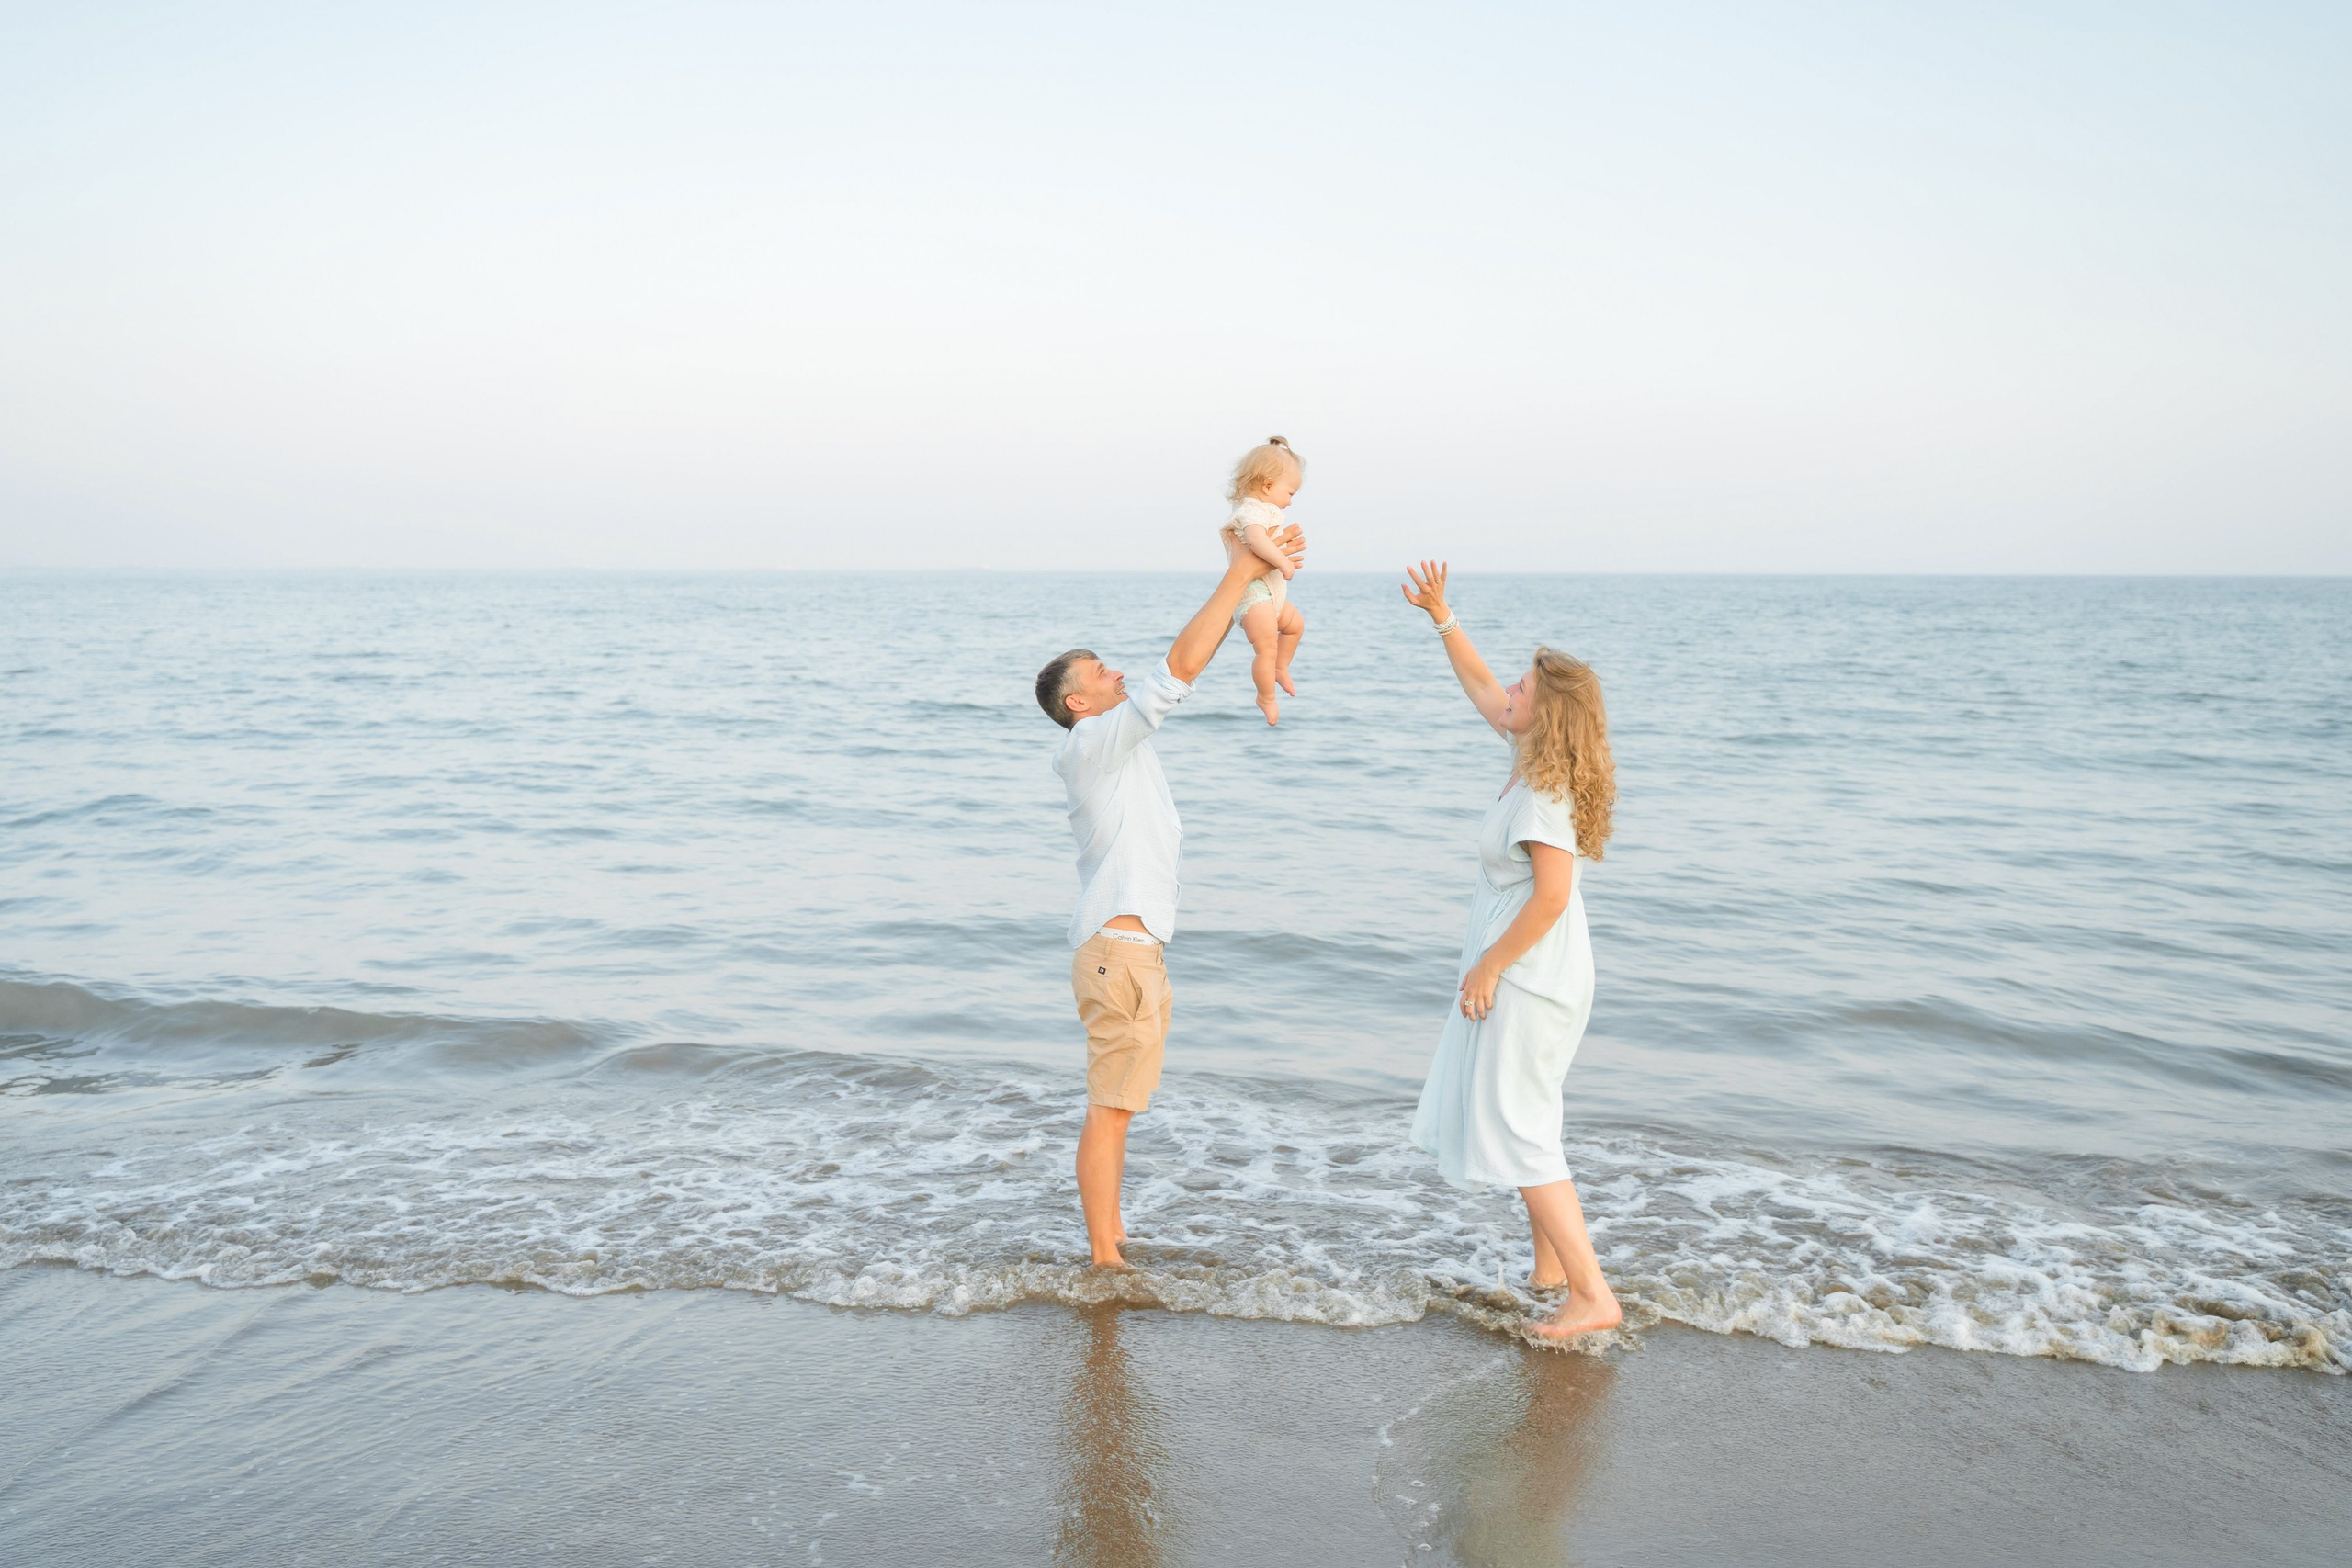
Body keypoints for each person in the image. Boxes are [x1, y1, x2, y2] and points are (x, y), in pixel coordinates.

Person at [1035, 517, 1307, 1267]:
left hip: (1132, 954)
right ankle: (1103, 1257)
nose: (1114, 672)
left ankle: (1111, 1237)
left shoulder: (1116, 746)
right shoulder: (1091, 744)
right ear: (1078, 704)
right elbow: (1176, 671)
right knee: (1110, 1110)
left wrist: (1251, 582)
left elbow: (1186, 665)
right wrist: (1239, 572)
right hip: (1118, 955)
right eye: (1098, 672)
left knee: (1118, 1108)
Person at [1398, 559, 1623, 1340]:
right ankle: (1552, 1271)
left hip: (1530, 974)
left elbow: (1552, 895)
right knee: (1533, 1117)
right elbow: (1481, 686)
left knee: (1519, 1124)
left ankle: (1592, 1296)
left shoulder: (1542, 793)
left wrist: (1489, 964)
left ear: (1548, 715)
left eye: (1525, 688)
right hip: (1539, 968)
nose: (1510, 693)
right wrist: (1442, 617)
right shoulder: (1530, 763)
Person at [1218, 436, 1310, 726]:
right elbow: (1257, 541)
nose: (1291, 500)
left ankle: (1280, 668)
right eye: (1290, 492)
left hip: (1271, 594)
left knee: (1295, 626)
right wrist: (1283, 561)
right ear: (1268, 486)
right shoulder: (1251, 510)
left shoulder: (1266, 510)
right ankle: (1265, 697)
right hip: (1253, 594)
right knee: (1266, 645)